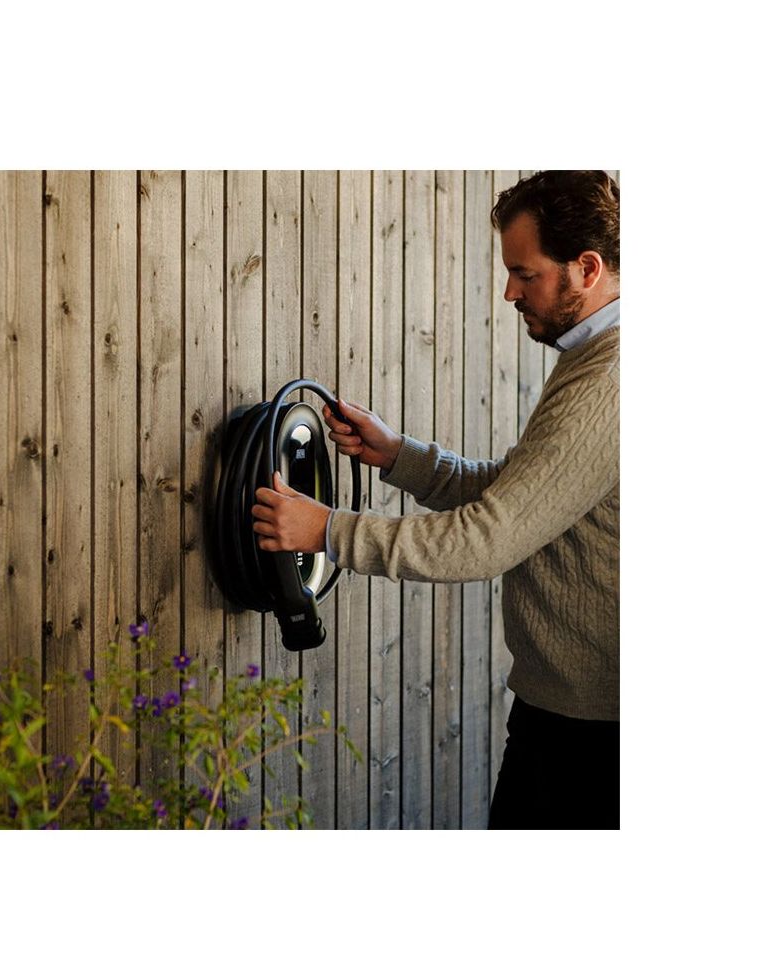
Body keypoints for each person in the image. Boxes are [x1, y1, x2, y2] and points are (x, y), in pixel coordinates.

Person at [252, 170, 620, 830]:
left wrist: (328, 530)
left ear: (587, 269)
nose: (510, 292)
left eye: (525, 274)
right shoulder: (594, 356)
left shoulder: (611, 379)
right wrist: (400, 455)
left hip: (590, 738)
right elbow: (522, 490)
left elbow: (489, 537)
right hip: (571, 716)